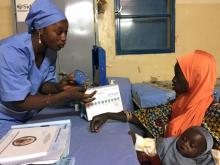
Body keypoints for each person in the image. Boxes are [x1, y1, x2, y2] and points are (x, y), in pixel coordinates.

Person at [0, 0, 95, 138]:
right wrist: (63, 96)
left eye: (66, 33)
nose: (64, 38)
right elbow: (18, 102)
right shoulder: (11, 52)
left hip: (30, 115)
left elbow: (43, 85)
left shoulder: (50, 51)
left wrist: (58, 87)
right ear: (41, 29)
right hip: (5, 118)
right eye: (59, 32)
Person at [90, 50, 220, 151]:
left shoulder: (213, 114)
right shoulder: (180, 103)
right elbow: (148, 115)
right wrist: (107, 115)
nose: (173, 80)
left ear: (196, 78)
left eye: (178, 76)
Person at [130, 126, 215, 165]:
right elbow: (150, 145)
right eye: (183, 138)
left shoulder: (202, 161)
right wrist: (137, 140)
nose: (185, 144)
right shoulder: (168, 144)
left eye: (191, 145)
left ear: (200, 153)